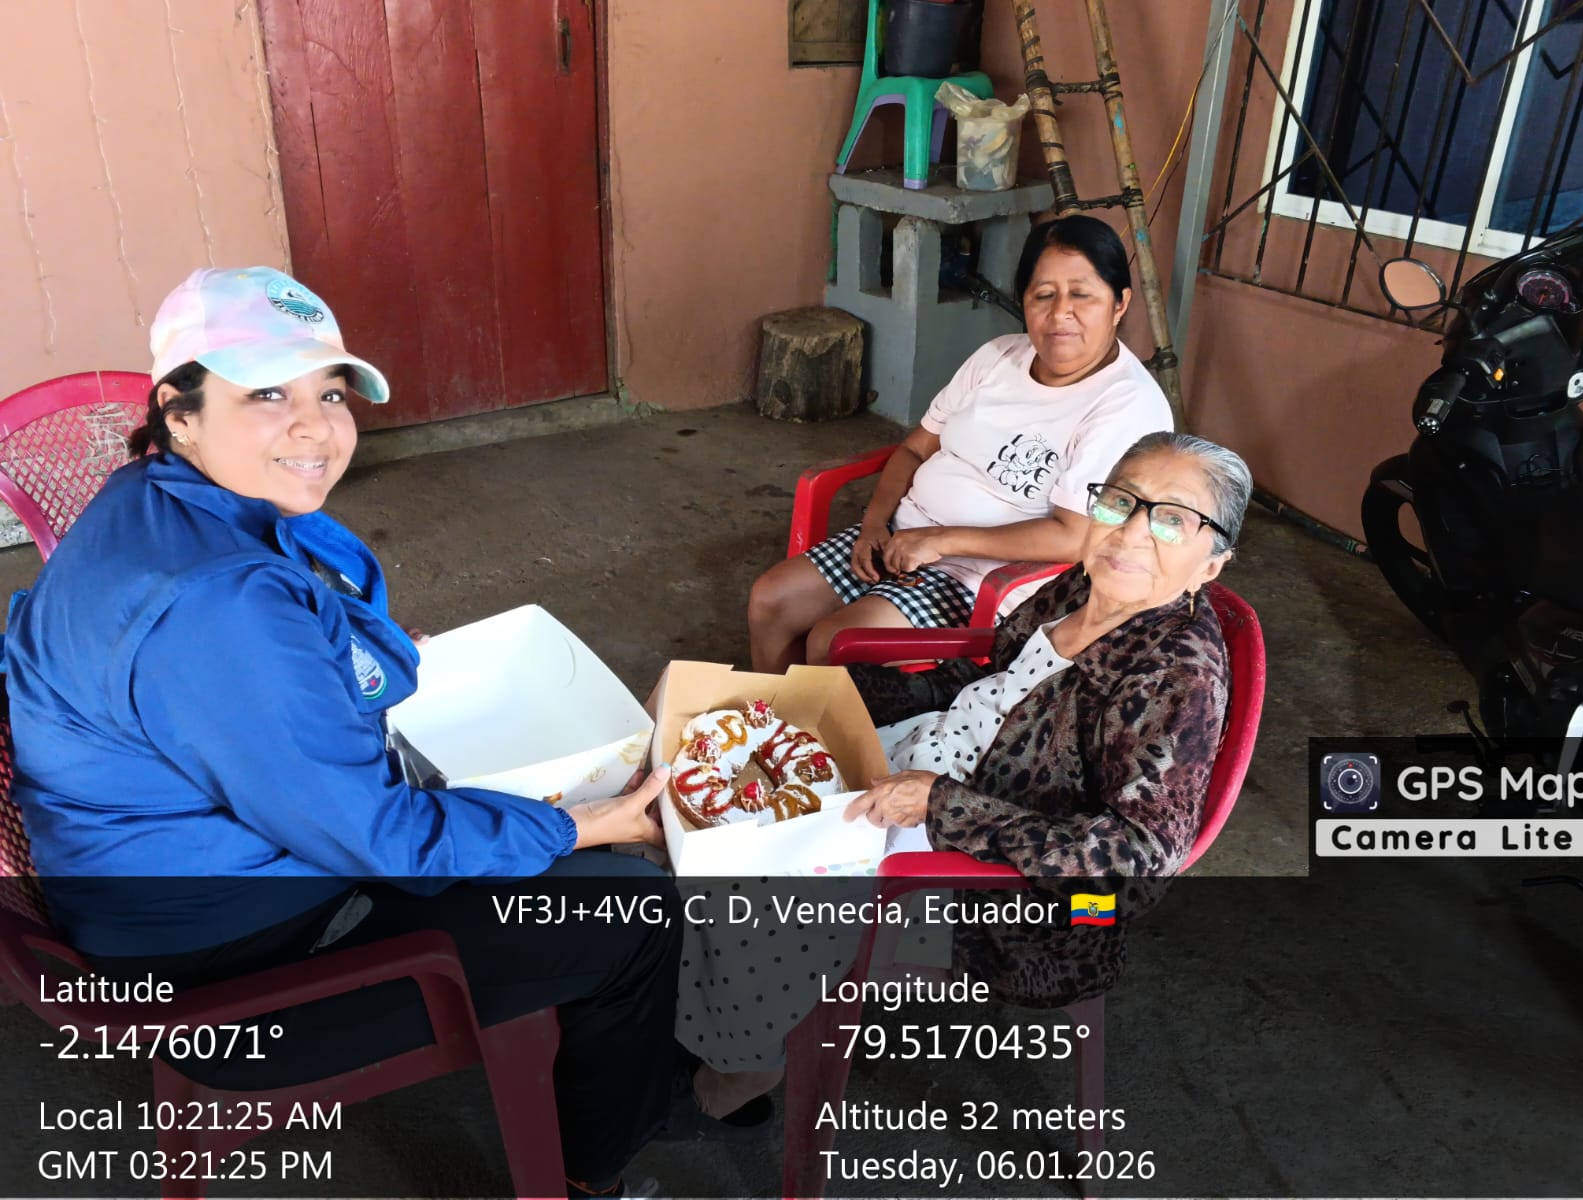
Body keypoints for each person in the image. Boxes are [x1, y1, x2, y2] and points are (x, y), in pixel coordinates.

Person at [2, 267, 679, 1198]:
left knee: (530, 832)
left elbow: (274, 685)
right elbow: (380, 836)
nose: (316, 427)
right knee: (633, 908)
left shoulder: (145, 499)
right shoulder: (218, 607)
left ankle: (618, 1058)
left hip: (163, 889)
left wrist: (342, 665)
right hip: (233, 978)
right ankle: (592, 1175)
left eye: (330, 393)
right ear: (180, 412)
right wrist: (580, 825)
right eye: (266, 395)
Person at [842, 431, 1252, 1005]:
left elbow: (1133, 868)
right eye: (1121, 501)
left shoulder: (1174, 677)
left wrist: (942, 805)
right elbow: (997, 680)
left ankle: (757, 1048)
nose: (1131, 531)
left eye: (1172, 520)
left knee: (763, 902)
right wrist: (865, 693)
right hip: (919, 764)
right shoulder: (1083, 584)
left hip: (994, 893)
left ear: (1210, 565)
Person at [748, 214, 1174, 672]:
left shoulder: (1125, 407)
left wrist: (940, 541)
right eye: (1043, 294)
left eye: (1082, 294)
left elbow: (1074, 538)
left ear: (1119, 303)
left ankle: (816, 720)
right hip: (902, 537)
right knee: (770, 601)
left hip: (979, 581)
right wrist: (874, 523)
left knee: (835, 643)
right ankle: (770, 716)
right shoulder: (998, 356)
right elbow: (914, 449)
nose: (1059, 313)